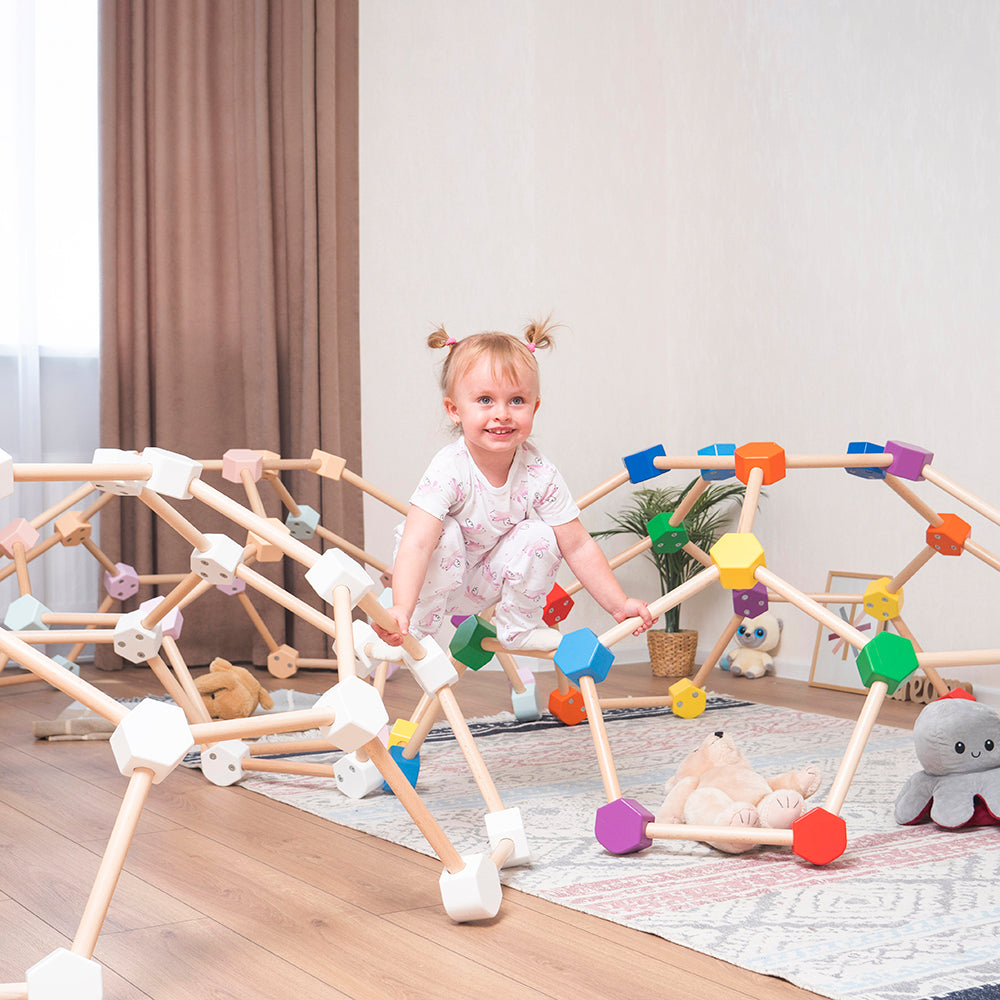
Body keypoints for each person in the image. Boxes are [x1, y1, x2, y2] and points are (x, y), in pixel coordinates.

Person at [374, 319, 656, 651]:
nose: (503, 414)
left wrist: (618, 604)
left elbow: (578, 546)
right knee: (443, 531)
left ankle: (517, 628)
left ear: (535, 407)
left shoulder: (539, 473)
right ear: (454, 410)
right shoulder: (450, 468)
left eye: (517, 401)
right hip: (428, 582)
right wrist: (401, 607)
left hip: (481, 583)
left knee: (541, 533)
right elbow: (417, 544)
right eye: (484, 400)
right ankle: (416, 625)